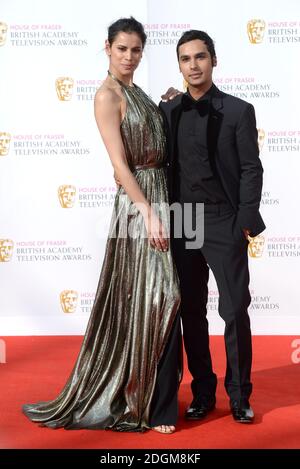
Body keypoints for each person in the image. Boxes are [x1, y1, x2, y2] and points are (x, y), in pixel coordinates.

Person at [23, 17, 181, 434]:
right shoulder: (106, 96)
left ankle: (155, 399)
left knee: (156, 297)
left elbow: (153, 138)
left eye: (136, 50)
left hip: (160, 192)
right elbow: (119, 165)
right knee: (161, 296)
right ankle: (140, 400)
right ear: (107, 48)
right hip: (139, 204)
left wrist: (169, 101)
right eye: (122, 48)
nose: (129, 56)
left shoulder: (136, 90)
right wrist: (148, 213)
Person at [160, 30, 265, 423]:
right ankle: (202, 391)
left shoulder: (239, 110)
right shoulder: (168, 110)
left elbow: (251, 168)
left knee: (236, 308)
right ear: (180, 65)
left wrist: (244, 221)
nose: (193, 65)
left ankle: (239, 395)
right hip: (183, 220)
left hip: (223, 219)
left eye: (200, 57)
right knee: (191, 310)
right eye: (186, 59)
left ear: (213, 60)